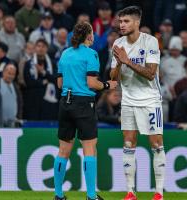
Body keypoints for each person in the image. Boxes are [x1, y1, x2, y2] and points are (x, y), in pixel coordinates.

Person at [54, 22, 117, 200]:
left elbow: (59, 84)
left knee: (63, 150)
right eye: (92, 34)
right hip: (83, 104)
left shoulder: (65, 54)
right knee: (89, 149)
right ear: (89, 36)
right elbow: (91, 83)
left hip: (65, 103)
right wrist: (107, 85)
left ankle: (58, 195)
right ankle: (91, 196)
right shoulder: (91, 54)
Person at [110, 6, 165, 200]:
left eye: (125, 21)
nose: (121, 25)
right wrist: (117, 64)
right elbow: (113, 79)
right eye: (120, 21)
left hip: (150, 100)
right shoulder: (117, 43)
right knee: (128, 143)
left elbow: (151, 74)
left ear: (136, 22)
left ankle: (159, 193)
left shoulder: (150, 42)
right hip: (128, 101)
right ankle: (130, 192)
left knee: (156, 144)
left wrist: (127, 61)